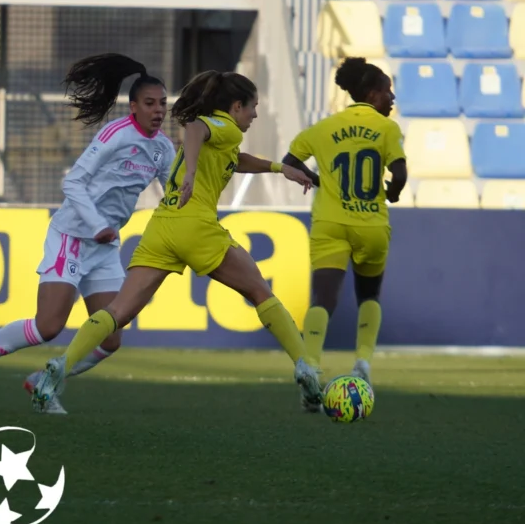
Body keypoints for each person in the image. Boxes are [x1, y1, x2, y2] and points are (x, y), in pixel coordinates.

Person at [30, 70, 323, 413]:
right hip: (195, 225)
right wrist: (192, 172)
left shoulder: (224, 137)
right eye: (252, 107)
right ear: (236, 106)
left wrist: (277, 168)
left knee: (117, 311)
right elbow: (195, 129)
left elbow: (235, 159)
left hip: (162, 227)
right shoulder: (223, 126)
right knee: (260, 292)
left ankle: (60, 366)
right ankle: (305, 365)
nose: (255, 115)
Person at [0, 53, 174, 414]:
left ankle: (45, 379)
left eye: (162, 103)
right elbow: (74, 182)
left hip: (104, 246)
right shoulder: (115, 135)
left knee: (111, 339)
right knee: (48, 326)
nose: (158, 110)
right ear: (133, 107)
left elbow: (174, 195)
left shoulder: (163, 148)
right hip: (73, 236)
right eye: (150, 103)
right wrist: (96, 224)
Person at [281, 57, 407, 386]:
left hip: (330, 223)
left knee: (323, 299)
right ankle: (362, 361)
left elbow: (289, 161)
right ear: (372, 94)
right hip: (371, 225)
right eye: (387, 91)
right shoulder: (387, 128)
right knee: (369, 296)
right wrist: (393, 193)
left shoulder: (323, 128)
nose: (392, 97)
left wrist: (319, 181)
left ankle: (310, 363)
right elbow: (399, 173)